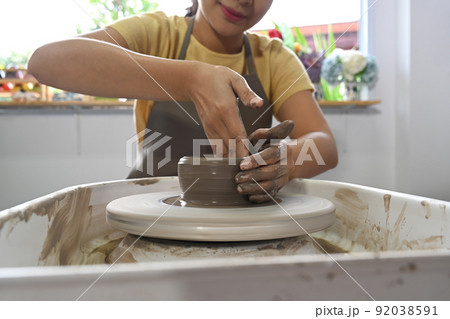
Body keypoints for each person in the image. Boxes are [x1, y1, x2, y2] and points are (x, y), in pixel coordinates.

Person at [28, 0, 338, 203]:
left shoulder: (273, 58)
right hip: (151, 212)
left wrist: (288, 158)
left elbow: (324, 145)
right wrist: (188, 80)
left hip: (237, 219)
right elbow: (45, 62)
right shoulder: (159, 34)